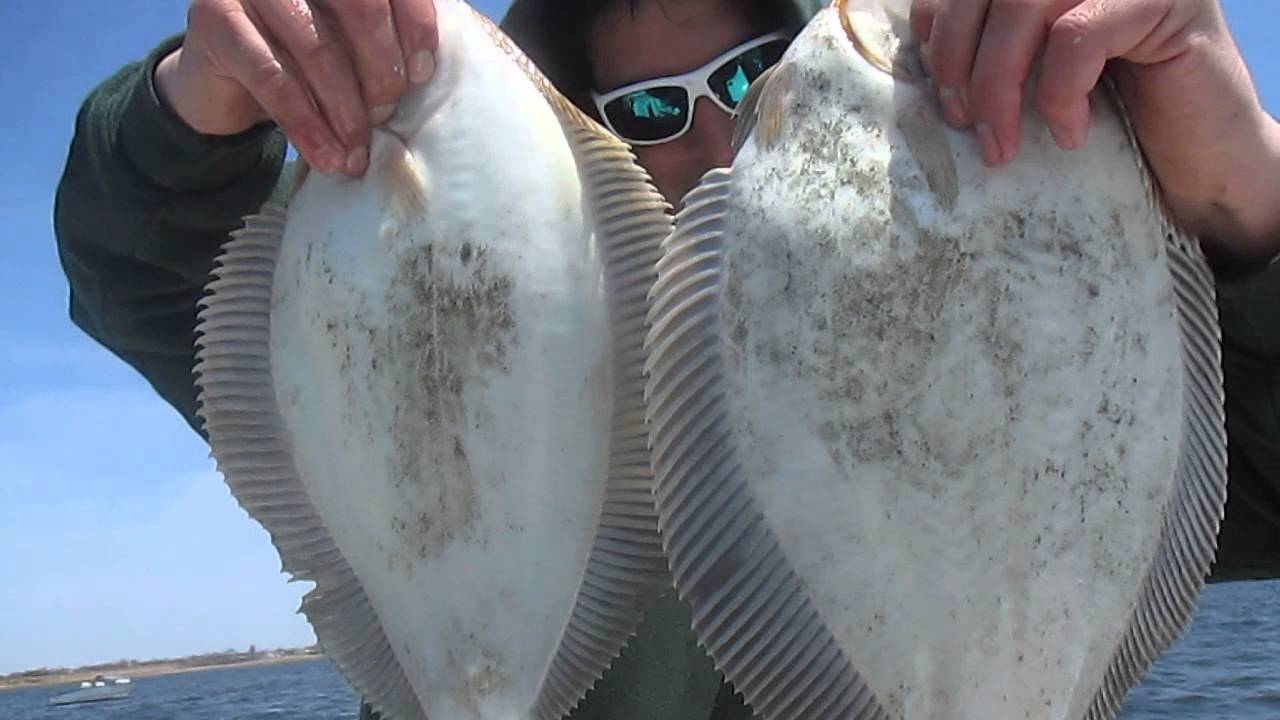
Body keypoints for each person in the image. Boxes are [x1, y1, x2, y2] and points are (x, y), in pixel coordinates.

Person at [52, 0, 1280, 718]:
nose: (706, 130)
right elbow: (139, 275)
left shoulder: (992, 295)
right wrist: (192, 105)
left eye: (747, 76)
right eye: (642, 109)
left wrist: (1248, 195)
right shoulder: (473, 306)